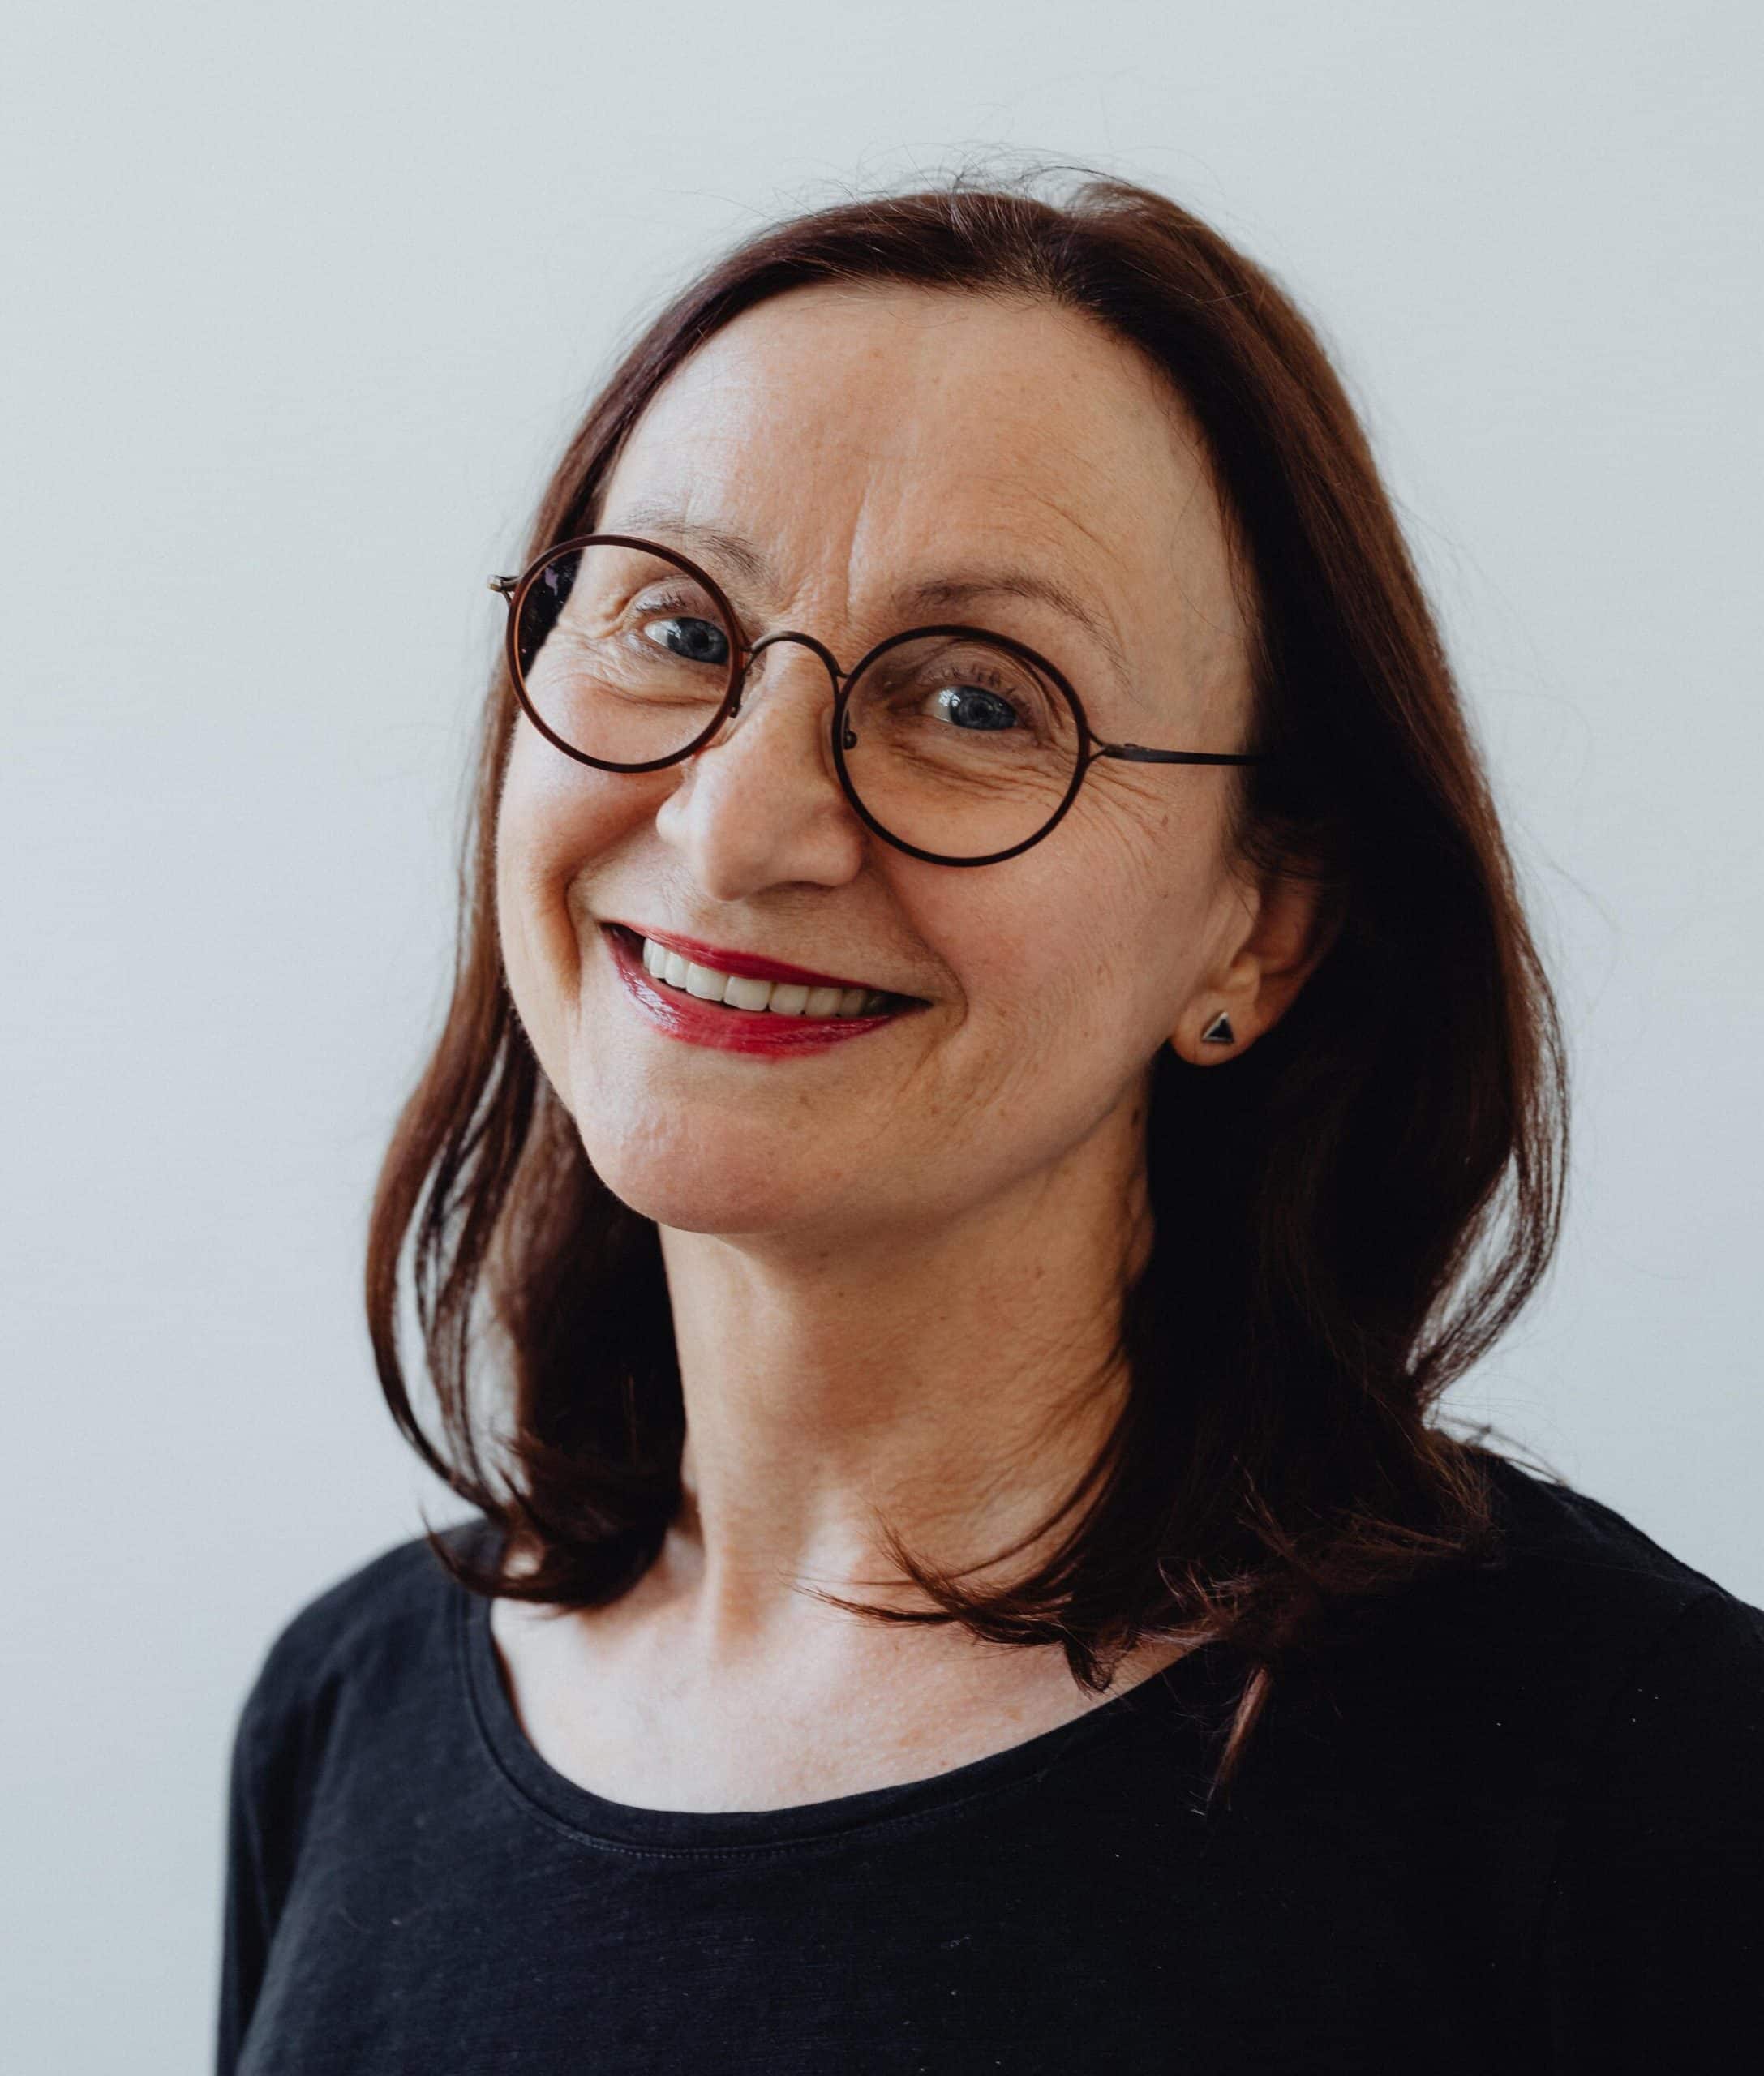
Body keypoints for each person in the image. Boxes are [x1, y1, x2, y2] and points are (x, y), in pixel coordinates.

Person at [216, 173, 1764, 2074]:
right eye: (676, 631)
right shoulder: (341, 1716)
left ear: (1256, 926)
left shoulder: (1622, 1777)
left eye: (972, 700)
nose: (736, 825)